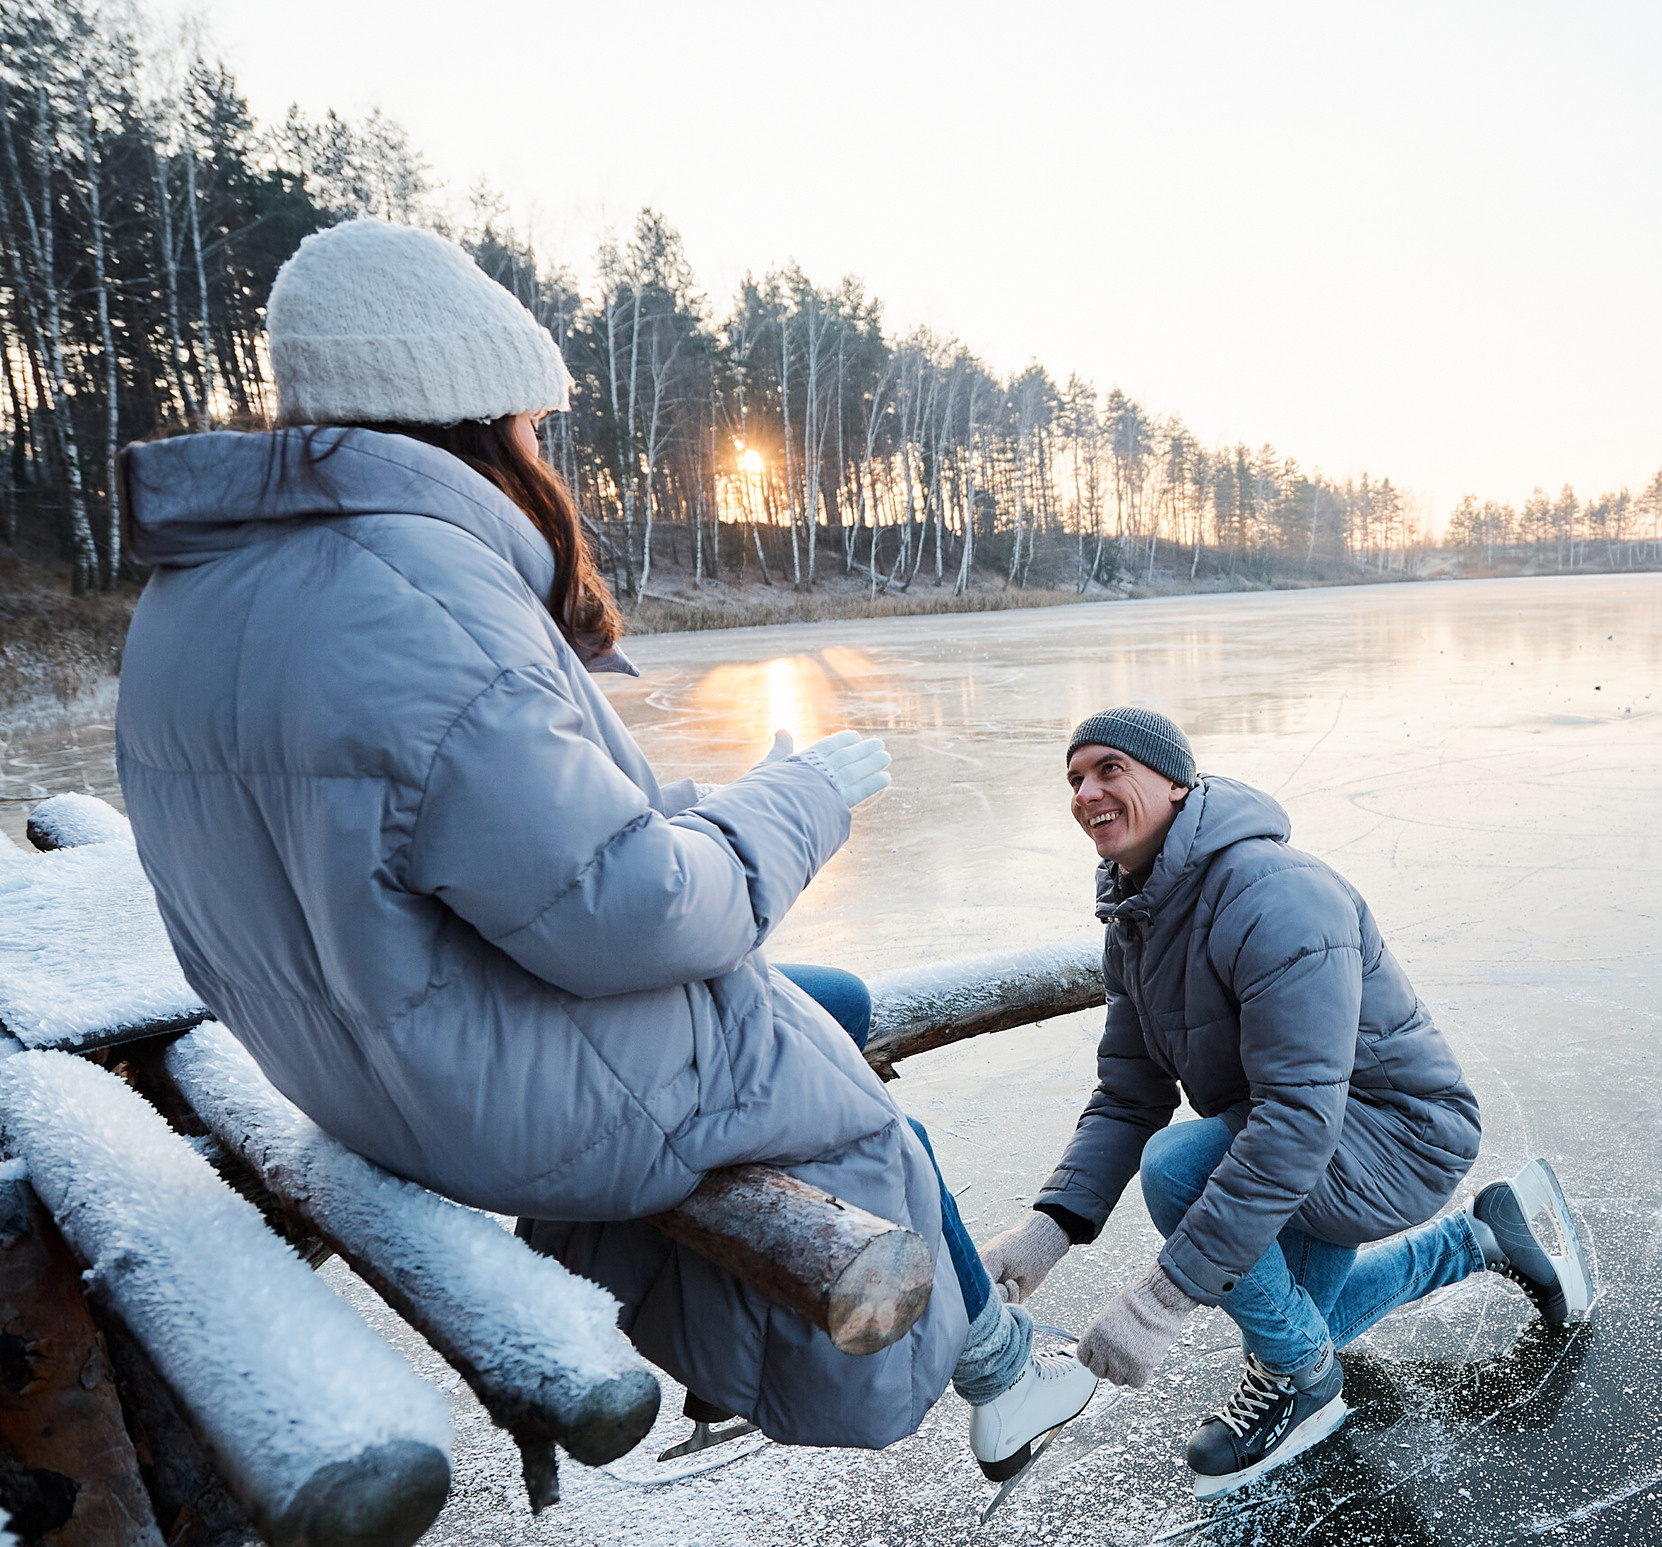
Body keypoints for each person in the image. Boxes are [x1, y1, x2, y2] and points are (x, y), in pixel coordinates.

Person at [113, 218, 1093, 1479]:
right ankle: (998, 1376)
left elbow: (470, 826)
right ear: (472, 413)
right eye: (531, 423)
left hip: (342, 1055)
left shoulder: (209, 586)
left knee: (831, 1003)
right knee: (842, 1099)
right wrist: (800, 803)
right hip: (472, 1094)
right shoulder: (414, 591)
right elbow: (626, 911)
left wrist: (711, 803)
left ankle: (916, 1354)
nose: (541, 451)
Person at [971, 708, 1598, 1497]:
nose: (1086, 792)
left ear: (1176, 782)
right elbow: (1129, 1094)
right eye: (1074, 779)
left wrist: (1161, 1302)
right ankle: (1478, 1240)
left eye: (1108, 769)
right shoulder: (1138, 921)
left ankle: (1304, 1390)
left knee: (1181, 1173)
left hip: (1394, 1136)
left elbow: (1299, 1118)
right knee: (1305, 1325)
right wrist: (1043, 1236)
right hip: (1297, 1142)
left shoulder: (1275, 894)